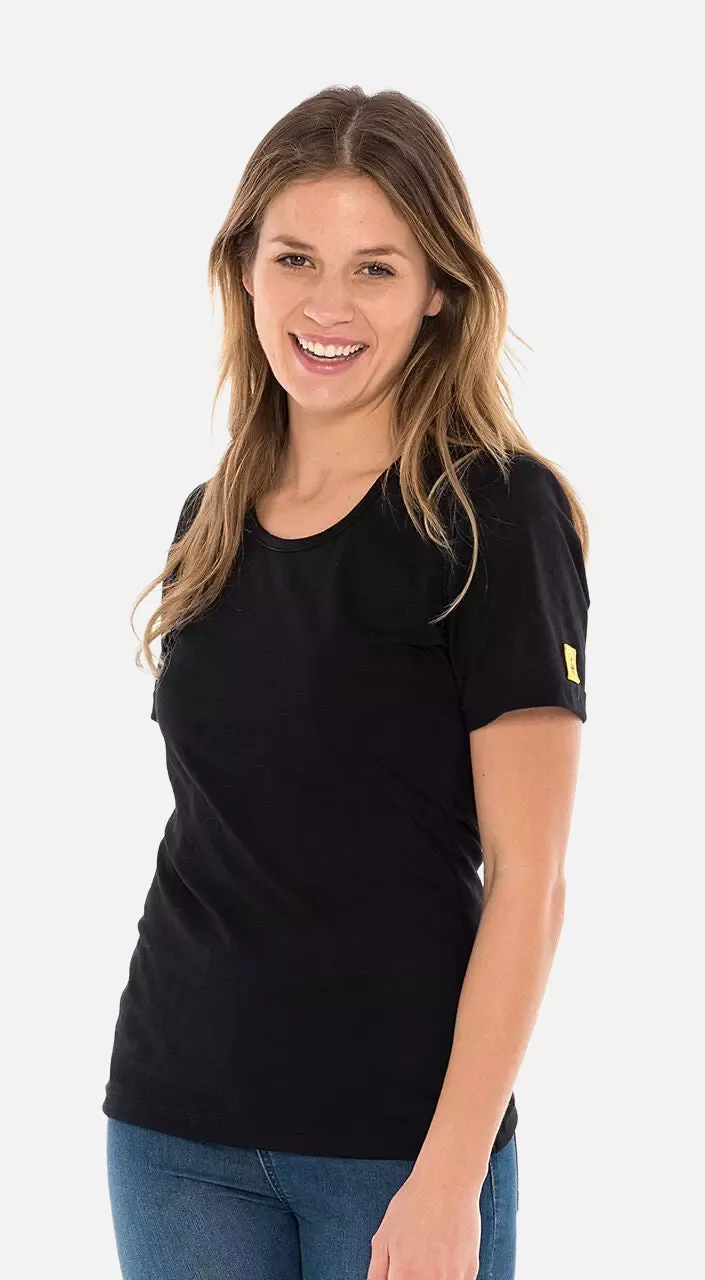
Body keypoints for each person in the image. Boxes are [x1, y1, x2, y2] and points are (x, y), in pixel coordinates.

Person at [103, 84, 590, 1280]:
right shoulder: (210, 520)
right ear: (246, 271)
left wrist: (450, 1175)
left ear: (439, 289)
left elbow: (530, 879)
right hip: (174, 1126)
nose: (327, 305)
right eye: (296, 259)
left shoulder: (497, 514)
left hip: (397, 1144)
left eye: (376, 268)